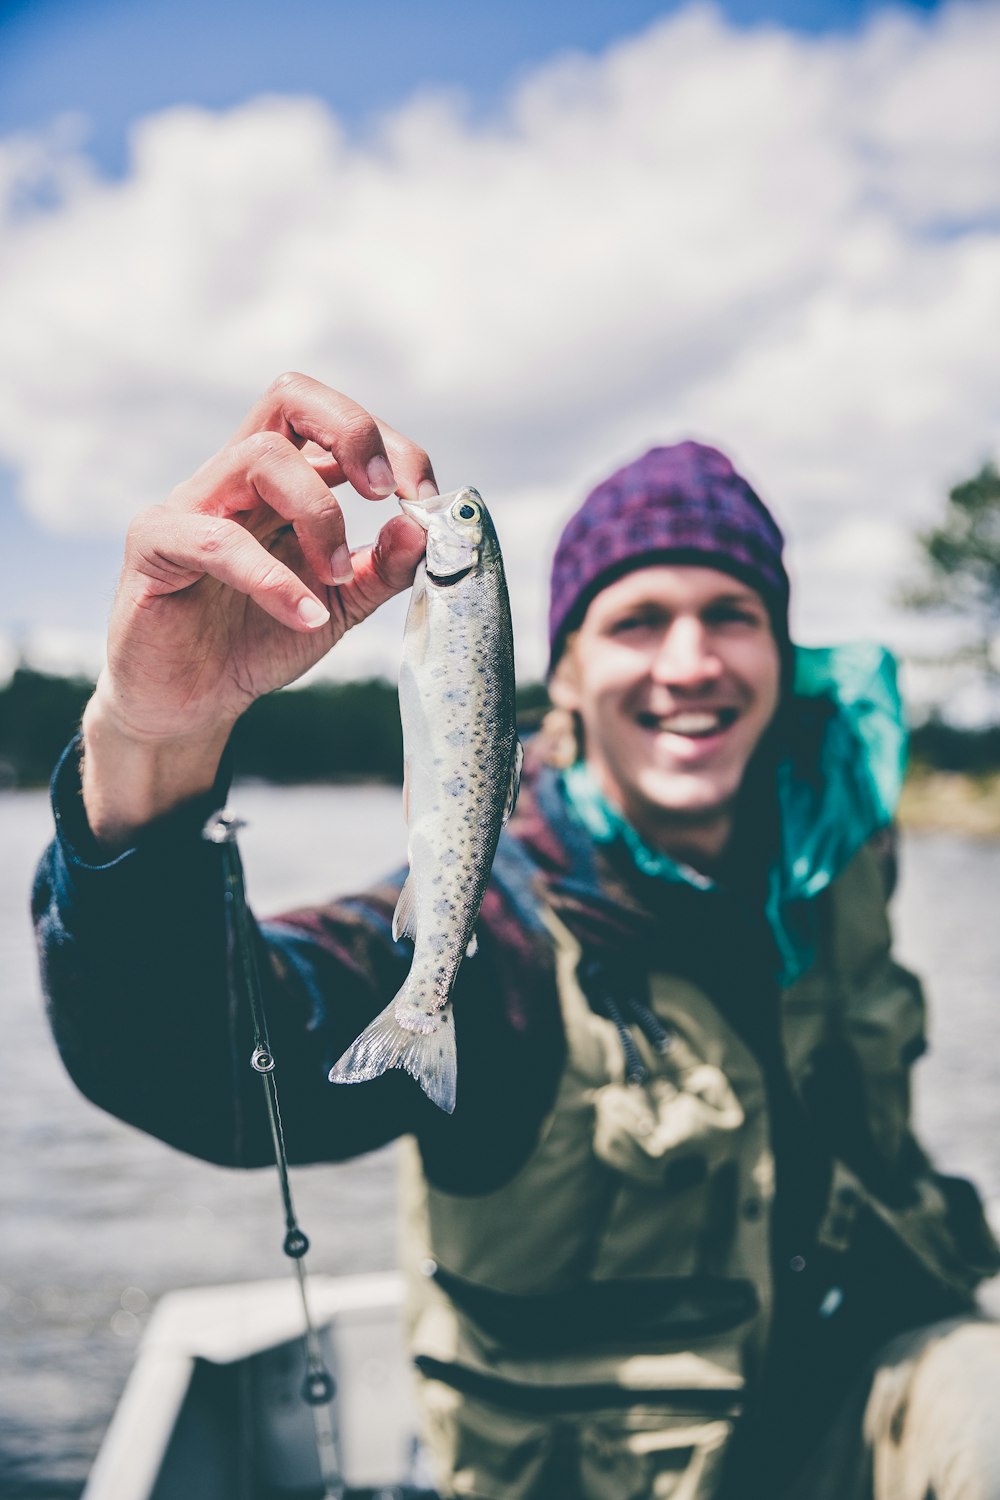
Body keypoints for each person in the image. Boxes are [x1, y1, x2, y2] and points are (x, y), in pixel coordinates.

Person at [33, 373, 1000, 1499]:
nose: (689, 663)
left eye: (729, 615)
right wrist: (150, 746)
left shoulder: (837, 870)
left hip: (853, 1408)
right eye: (637, 620)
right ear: (570, 676)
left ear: (779, 657)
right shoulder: (502, 929)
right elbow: (194, 1057)